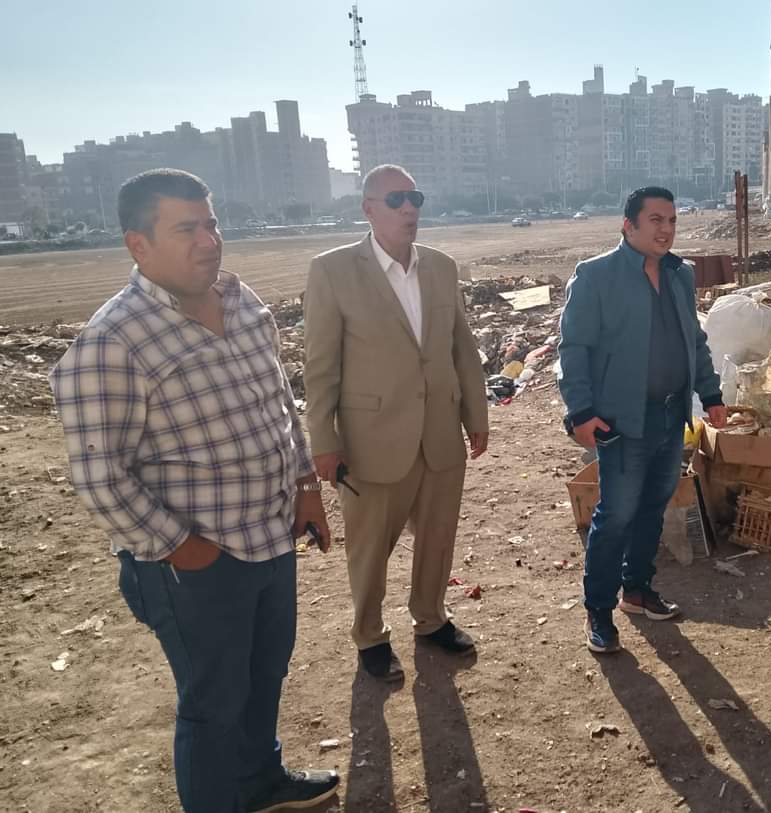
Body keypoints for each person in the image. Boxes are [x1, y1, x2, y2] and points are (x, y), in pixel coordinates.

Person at [49, 169, 339, 813]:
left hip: (271, 537)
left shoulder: (240, 299)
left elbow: (279, 404)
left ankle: (260, 782)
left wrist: (305, 485)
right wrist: (181, 546)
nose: (209, 241)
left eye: (211, 223)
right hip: (196, 564)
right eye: (187, 229)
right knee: (212, 702)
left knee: (265, 673)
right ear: (139, 244)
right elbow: (99, 474)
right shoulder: (113, 340)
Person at [303, 164, 489, 683]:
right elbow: (320, 367)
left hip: (439, 432)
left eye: (415, 198)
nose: (409, 208)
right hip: (372, 440)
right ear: (368, 209)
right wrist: (324, 441)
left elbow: (462, 348)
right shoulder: (333, 271)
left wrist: (475, 414)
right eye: (396, 200)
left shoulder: (441, 267)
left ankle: (431, 618)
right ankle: (370, 635)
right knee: (370, 548)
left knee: (438, 536)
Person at [558, 186, 728, 654]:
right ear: (628, 225)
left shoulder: (680, 274)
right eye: (655, 220)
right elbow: (573, 348)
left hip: (671, 414)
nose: (666, 229)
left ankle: (637, 590)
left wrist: (710, 392)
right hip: (622, 418)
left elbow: (693, 339)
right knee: (616, 514)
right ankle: (599, 610)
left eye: (671, 220)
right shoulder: (596, 275)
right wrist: (580, 410)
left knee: (654, 505)